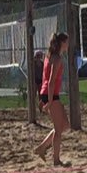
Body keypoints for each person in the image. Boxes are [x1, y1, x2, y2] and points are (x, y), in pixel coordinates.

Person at [35, 33, 70, 166]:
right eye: (66, 42)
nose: (68, 44)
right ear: (62, 43)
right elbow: (50, 82)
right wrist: (49, 101)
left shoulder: (50, 56)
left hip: (49, 94)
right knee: (58, 128)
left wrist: (44, 98)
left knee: (65, 124)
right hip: (51, 94)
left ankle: (42, 148)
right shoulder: (56, 58)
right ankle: (56, 160)